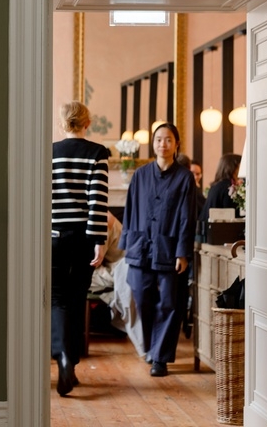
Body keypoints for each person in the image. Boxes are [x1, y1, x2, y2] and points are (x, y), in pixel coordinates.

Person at [118, 122, 196, 377]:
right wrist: (127, 245)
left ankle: (160, 358)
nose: (163, 144)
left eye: (168, 139)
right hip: (140, 247)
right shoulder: (140, 175)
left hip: (169, 249)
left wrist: (182, 252)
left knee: (169, 302)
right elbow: (130, 211)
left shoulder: (184, 178)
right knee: (142, 297)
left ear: (176, 144)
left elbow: (187, 217)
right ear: (153, 144)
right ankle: (152, 347)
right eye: (159, 139)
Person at [51, 101, 109, 396]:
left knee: (58, 300)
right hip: (82, 240)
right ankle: (70, 362)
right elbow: (97, 202)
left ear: (63, 123)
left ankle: (63, 359)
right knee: (77, 299)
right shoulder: (97, 154)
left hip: (53, 237)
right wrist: (99, 241)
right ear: (88, 122)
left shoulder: (49, 153)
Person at [198, 153, 242, 230]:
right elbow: (231, 215)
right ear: (233, 167)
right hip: (215, 232)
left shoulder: (217, 185)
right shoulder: (228, 187)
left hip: (205, 229)